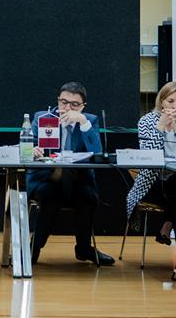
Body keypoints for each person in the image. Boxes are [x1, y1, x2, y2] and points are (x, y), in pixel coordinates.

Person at [27, 81, 114, 266]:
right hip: (47, 179)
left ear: (83, 106)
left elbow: (97, 153)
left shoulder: (90, 120)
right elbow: (25, 146)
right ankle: (33, 248)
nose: (67, 108)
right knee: (51, 197)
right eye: (64, 102)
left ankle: (84, 248)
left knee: (89, 198)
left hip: (78, 180)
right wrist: (32, 149)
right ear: (58, 101)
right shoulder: (43, 117)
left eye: (74, 104)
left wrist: (83, 122)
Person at [125, 81, 176, 272]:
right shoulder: (146, 121)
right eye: (170, 101)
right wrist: (160, 127)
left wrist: (175, 128)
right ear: (161, 102)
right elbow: (148, 156)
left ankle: (168, 226)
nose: (174, 106)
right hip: (152, 184)